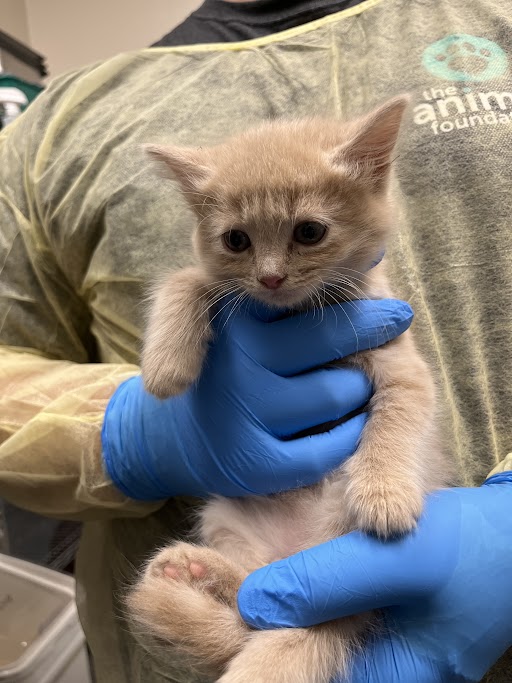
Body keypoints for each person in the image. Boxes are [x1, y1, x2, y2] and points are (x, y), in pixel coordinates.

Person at [0, 0, 511, 681]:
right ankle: (246, 607)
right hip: (236, 543)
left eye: (307, 233)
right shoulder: (65, 117)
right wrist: (130, 432)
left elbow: (402, 386)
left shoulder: (489, 20)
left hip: (408, 554)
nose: (270, 273)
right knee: (220, 570)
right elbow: (188, 289)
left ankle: (286, 642)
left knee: (346, 569)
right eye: (238, 241)